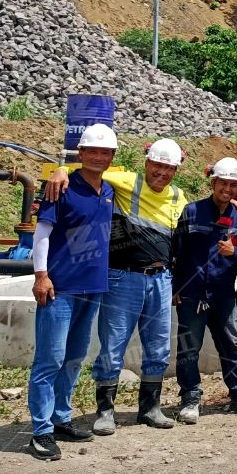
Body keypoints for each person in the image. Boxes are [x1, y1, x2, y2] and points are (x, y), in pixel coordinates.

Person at [45, 137, 189, 434]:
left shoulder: (178, 196)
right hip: (124, 278)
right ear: (147, 163)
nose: (162, 173)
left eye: (169, 168)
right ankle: (105, 411)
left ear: (176, 170)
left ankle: (150, 408)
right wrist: (61, 170)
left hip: (161, 279)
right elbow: (90, 169)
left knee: (158, 346)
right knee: (113, 345)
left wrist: (234, 204)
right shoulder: (126, 181)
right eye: (157, 166)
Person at [27, 124, 117, 461]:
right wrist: (41, 275)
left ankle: (60, 418)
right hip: (59, 288)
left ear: (112, 157)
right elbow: (42, 233)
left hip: (92, 288)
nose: (98, 157)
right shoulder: (61, 188)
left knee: (75, 357)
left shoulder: (108, 190)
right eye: (92, 151)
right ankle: (40, 431)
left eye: (105, 152)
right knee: (49, 359)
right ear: (81, 153)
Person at [171, 158, 237, 422]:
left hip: (223, 294)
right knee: (189, 348)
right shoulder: (192, 211)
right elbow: (176, 251)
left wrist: (234, 251)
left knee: (231, 346)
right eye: (223, 183)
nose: (228, 189)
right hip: (192, 294)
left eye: (234, 185)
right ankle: (190, 398)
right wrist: (176, 287)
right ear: (213, 183)